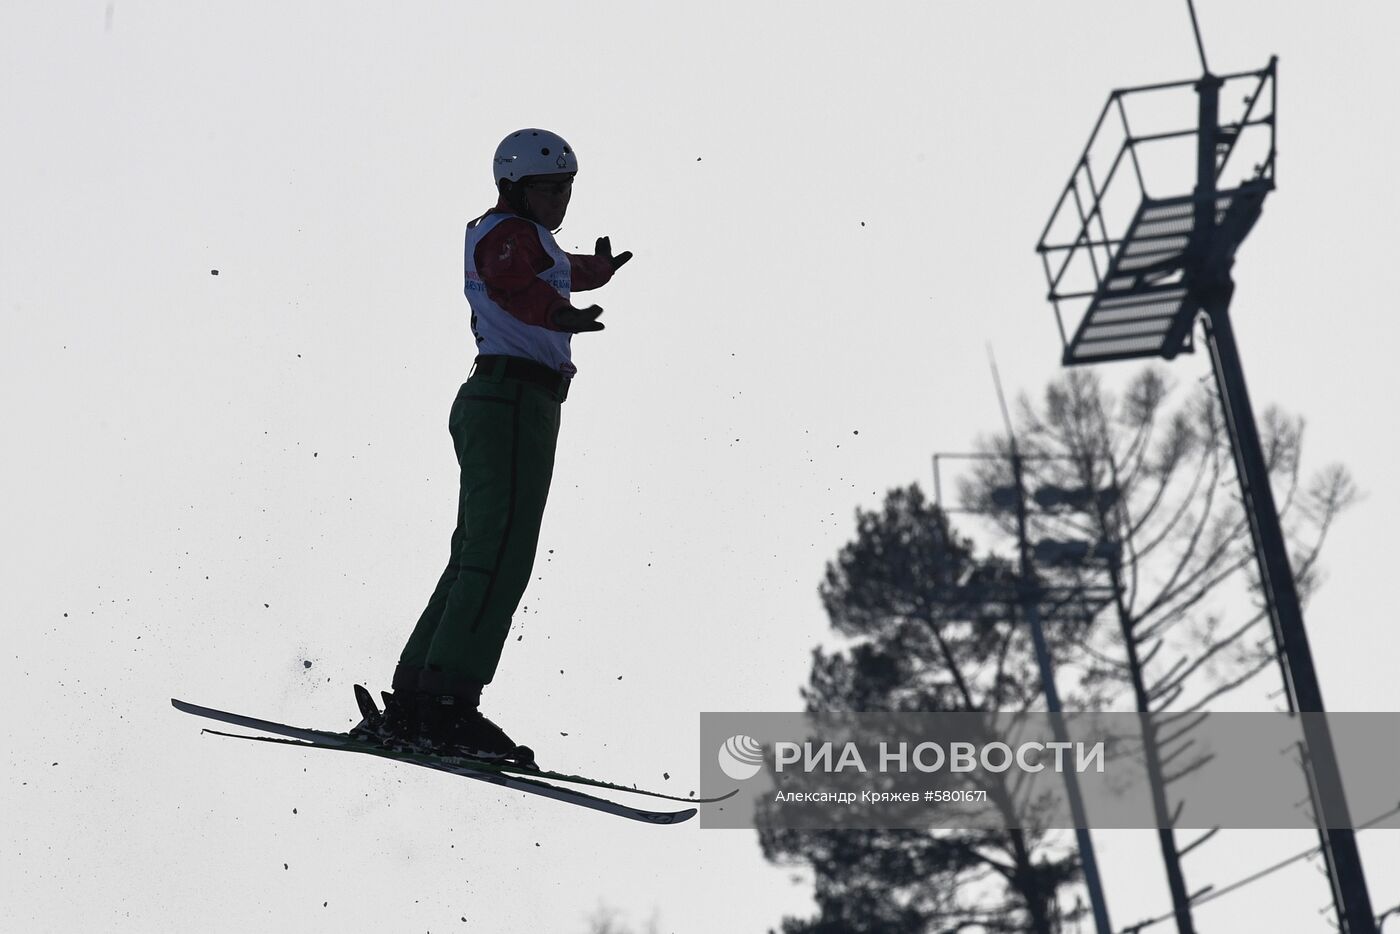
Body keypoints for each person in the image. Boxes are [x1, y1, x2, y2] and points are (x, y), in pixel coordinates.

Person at [358, 129, 631, 767]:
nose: (560, 200)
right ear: (514, 186)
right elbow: (515, 284)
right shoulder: (506, 234)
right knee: (501, 555)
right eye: (548, 188)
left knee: (477, 555)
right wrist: (560, 315)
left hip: (504, 400)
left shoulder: (524, 237)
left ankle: (418, 697)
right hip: (513, 402)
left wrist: (597, 272)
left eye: (567, 188)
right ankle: (447, 706)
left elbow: (553, 270)